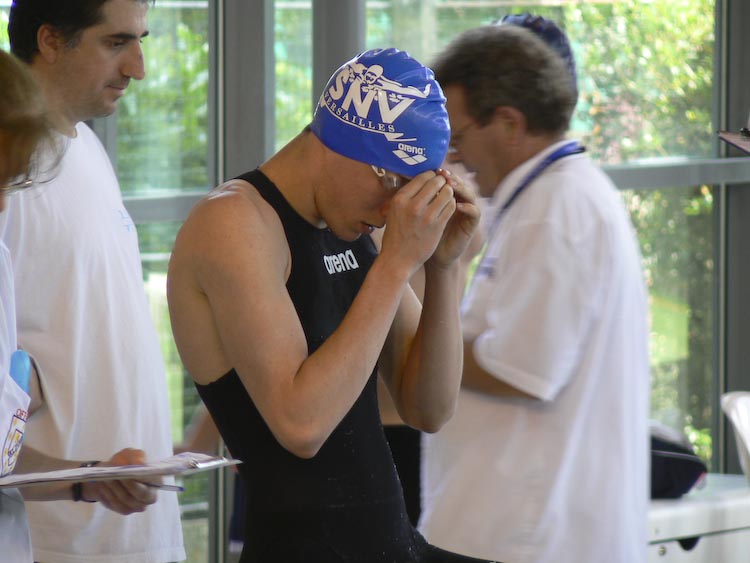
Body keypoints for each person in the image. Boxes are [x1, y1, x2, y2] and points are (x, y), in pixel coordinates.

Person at [167, 48, 497, 563]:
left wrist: (443, 267)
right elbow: (300, 426)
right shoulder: (235, 223)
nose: (390, 212)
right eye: (393, 183)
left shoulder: (348, 228)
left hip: (394, 547)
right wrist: (394, 265)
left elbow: (429, 408)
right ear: (344, 145)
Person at [418, 19, 650, 563]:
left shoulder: (555, 210)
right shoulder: (546, 198)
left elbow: (519, 369)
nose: (455, 156)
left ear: (509, 123)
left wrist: (414, 350)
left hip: (526, 534)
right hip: (511, 527)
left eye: (459, 136)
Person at [1, 2, 186, 562]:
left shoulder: (85, 147)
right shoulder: (12, 173)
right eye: (116, 43)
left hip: (126, 519)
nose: (139, 68)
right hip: (59, 539)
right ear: (50, 40)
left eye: (141, 41)